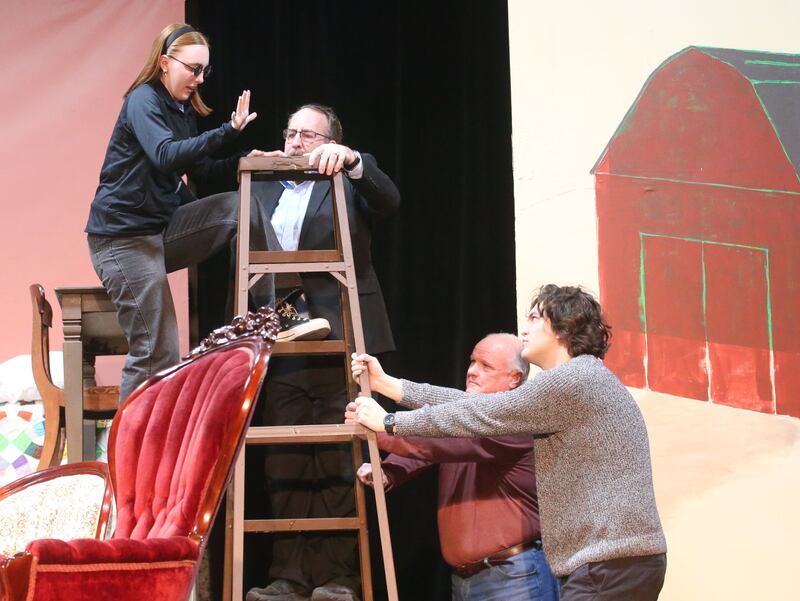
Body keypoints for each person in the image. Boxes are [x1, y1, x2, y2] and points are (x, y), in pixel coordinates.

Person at [348, 285, 668, 601]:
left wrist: (390, 423)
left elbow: (480, 413)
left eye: (533, 318)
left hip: (609, 564)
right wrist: (391, 386)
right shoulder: (577, 380)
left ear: (562, 327)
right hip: (612, 563)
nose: (524, 329)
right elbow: (472, 405)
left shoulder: (572, 381)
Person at [85, 24, 328, 403]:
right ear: (165, 63)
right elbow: (165, 155)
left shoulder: (182, 110)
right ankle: (131, 457)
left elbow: (198, 172)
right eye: (193, 69)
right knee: (156, 349)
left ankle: (269, 315)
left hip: (161, 229)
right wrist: (228, 130)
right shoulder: (143, 101)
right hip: (123, 239)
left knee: (240, 206)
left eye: (204, 72)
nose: (199, 79)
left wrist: (243, 161)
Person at [246, 104, 400, 601]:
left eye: (307, 135)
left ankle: (339, 578)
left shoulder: (348, 177)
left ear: (331, 140)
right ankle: (290, 576)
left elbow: (388, 197)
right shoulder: (266, 184)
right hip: (286, 339)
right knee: (286, 461)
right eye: (290, 133)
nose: (295, 142)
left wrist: (351, 160)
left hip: (343, 336)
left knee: (338, 456)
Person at [356, 333, 559, 601]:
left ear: (514, 379)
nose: (472, 371)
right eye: (472, 362)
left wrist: (382, 428)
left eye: (486, 367)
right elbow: (435, 443)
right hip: (466, 579)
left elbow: (443, 444)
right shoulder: (463, 421)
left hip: (513, 578)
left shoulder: (517, 422)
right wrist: (389, 471)